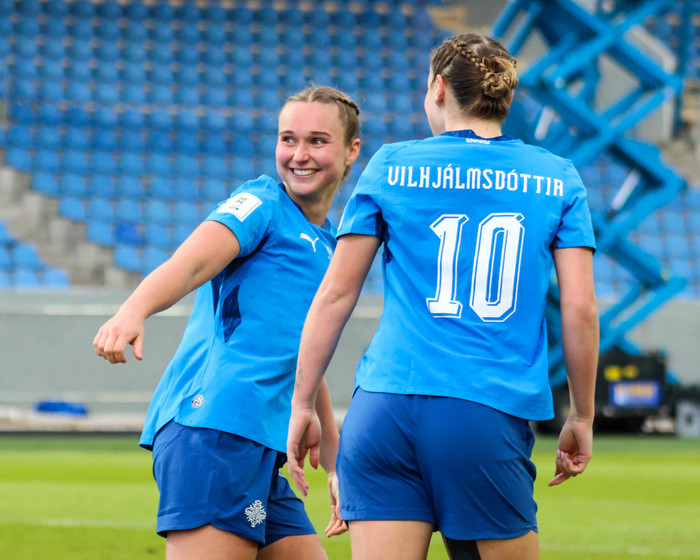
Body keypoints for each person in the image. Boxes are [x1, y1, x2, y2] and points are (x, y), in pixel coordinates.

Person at [287, 34, 599, 560]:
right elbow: (580, 310)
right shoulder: (557, 178)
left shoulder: (390, 165)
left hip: (383, 408)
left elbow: (336, 294)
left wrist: (301, 403)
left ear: (437, 88)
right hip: (484, 410)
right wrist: (582, 416)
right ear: (505, 97)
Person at [93, 85, 361, 560]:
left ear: (351, 151)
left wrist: (334, 453)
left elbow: (306, 346)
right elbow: (191, 263)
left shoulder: (330, 244)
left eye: (317, 141)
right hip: (214, 429)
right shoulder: (260, 202)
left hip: (258, 445)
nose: (299, 154)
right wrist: (134, 309)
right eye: (288, 139)